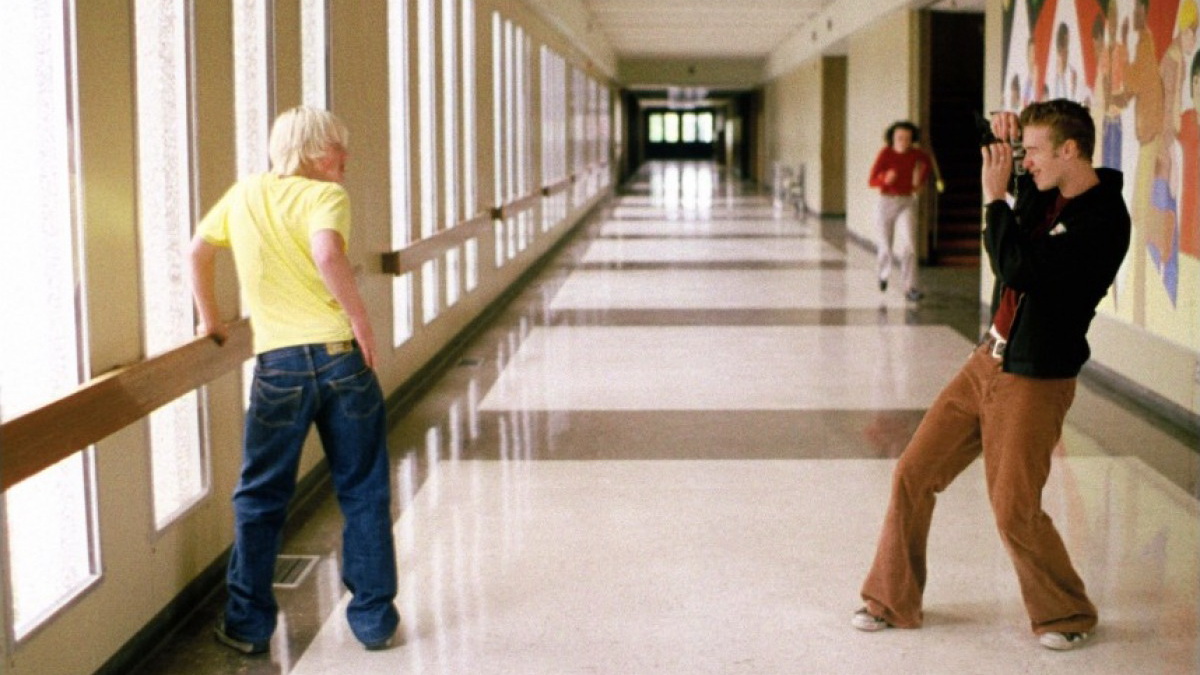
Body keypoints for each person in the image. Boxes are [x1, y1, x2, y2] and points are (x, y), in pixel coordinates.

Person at [851, 99, 1131, 651]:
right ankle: (890, 600)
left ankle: (1067, 613)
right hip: (987, 360)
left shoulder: (1102, 220)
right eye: (1022, 151)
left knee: (1013, 510)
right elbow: (1006, 171)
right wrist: (997, 131)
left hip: (1036, 378)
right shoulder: (1046, 191)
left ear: (1070, 150)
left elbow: (1018, 266)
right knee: (912, 473)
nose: (1026, 162)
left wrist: (994, 199)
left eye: (1034, 152)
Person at [190, 106, 399, 654]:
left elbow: (197, 251)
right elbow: (327, 253)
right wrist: (360, 321)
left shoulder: (243, 195)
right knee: (363, 488)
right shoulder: (326, 197)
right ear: (309, 151)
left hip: (278, 365)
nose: (345, 157)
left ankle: (246, 625)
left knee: (261, 494)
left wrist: (210, 321)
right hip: (340, 359)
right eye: (335, 147)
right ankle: (373, 620)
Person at [867, 121, 932, 301]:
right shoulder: (885, 154)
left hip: (906, 201)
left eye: (907, 138)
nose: (904, 142)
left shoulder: (916, 154)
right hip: (886, 202)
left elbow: (927, 164)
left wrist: (920, 183)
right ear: (893, 138)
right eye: (900, 138)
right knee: (885, 245)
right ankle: (883, 275)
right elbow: (871, 180)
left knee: (910, 244)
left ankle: (910, 287)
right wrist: (885, 180)